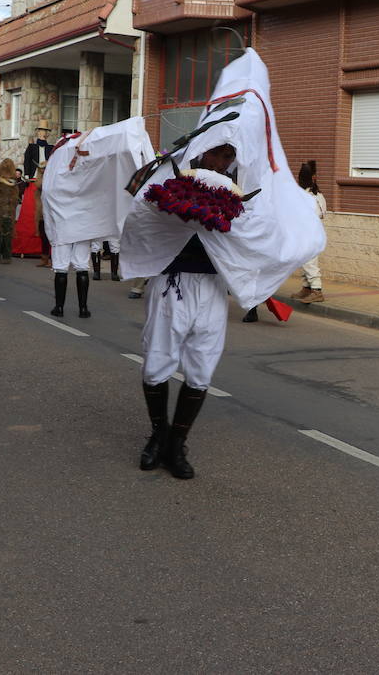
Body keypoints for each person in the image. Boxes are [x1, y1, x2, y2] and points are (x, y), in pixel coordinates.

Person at [121, 48, 324, 479]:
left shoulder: (247, 190)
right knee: (157, 361)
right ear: (204, 146)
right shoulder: (171, 173)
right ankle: (157, 434)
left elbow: (259, 237)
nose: (221, 160)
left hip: (212, 289)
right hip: (172, 282)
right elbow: (140, 217)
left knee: (200, 367)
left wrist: (228, 218)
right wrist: (180, 209)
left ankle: (178, 443)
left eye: (229, 154)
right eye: (216, 152)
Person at [41, 119, 154, 318]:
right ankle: (83, 308)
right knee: (81, 265)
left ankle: (59, 307)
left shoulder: (59, 166)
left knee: (61, 267)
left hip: (63, 221)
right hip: (84, 222)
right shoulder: (80, 167)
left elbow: (48, 193)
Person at [290, 160, 327, 304]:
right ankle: (306, 288)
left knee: (309, 262)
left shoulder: (308, 197)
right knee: (305, 261)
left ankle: (317, 291)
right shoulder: (318, 195)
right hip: (311, 232)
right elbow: (323, 213)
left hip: (309, 234)